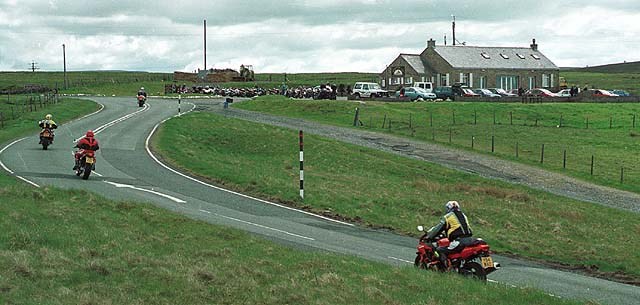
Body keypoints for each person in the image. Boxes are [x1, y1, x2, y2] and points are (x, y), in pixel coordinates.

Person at [424, 200, 473, 269]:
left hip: (459, 241)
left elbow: (438, 228)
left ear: (448, 208)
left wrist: (429, 236)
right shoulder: (464, 215)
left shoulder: (448, 217)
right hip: (469, 240)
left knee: (439, 250)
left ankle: (447, 269)